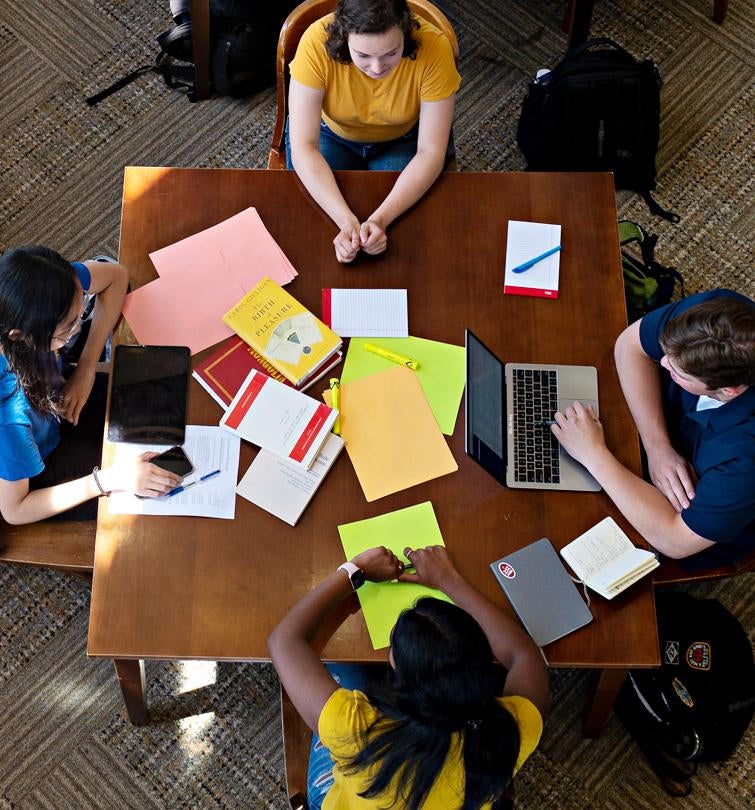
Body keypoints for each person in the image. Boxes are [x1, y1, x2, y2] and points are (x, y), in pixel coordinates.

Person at [268, 544, 549, 809]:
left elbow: (284, 640)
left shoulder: (356, 730)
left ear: (397, 671)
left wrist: (354, 570)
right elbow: (524, 654)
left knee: (342, 662)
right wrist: (449, 580)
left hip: (346, 789)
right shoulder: (510, 732)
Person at [551, 289, 755, 567]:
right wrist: (657, 447)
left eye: (677, 372)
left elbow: (675, 540)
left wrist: (593, 455)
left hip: (689, 513)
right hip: (661, 436)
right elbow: (630, 345)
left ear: (729, 390)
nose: (662, 361)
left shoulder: (745, 463)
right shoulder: (720, 317)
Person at [0, 245, 183, 525]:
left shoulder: (52, 286)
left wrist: (86, 368)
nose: (77, 331)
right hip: (37, 473)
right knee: (146, 500)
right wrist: (109, 479)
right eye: (67, 330)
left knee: (159, 397)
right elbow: (15, 511)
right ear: (21, 336)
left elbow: (116, 277)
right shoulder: (9, 416)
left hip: (55, 401)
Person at [286, 0, 460, 264]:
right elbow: (303, 145)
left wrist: (380, 219)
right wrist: (345, 220)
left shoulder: (434, 46)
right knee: (317, 229)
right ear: (344, 38)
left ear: (406, 33)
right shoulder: (315, 42)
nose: (377, 68)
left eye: (391, 53)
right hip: (330, 136)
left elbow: (431, 151)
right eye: (363, 56)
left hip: (402, 140)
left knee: (407, 235)